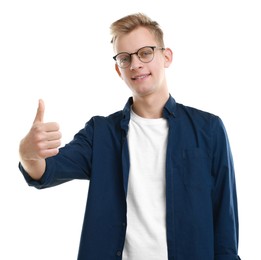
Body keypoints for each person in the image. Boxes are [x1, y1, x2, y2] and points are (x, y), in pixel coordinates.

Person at [18, 13, 241, 260]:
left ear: (166, 57)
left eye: (145, 52)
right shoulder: (100, 133)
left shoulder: (208, 129)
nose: (135, 64)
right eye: (125, 58)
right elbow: (46, 171)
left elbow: (225, 223)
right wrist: (27, 154)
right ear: (118, 69)